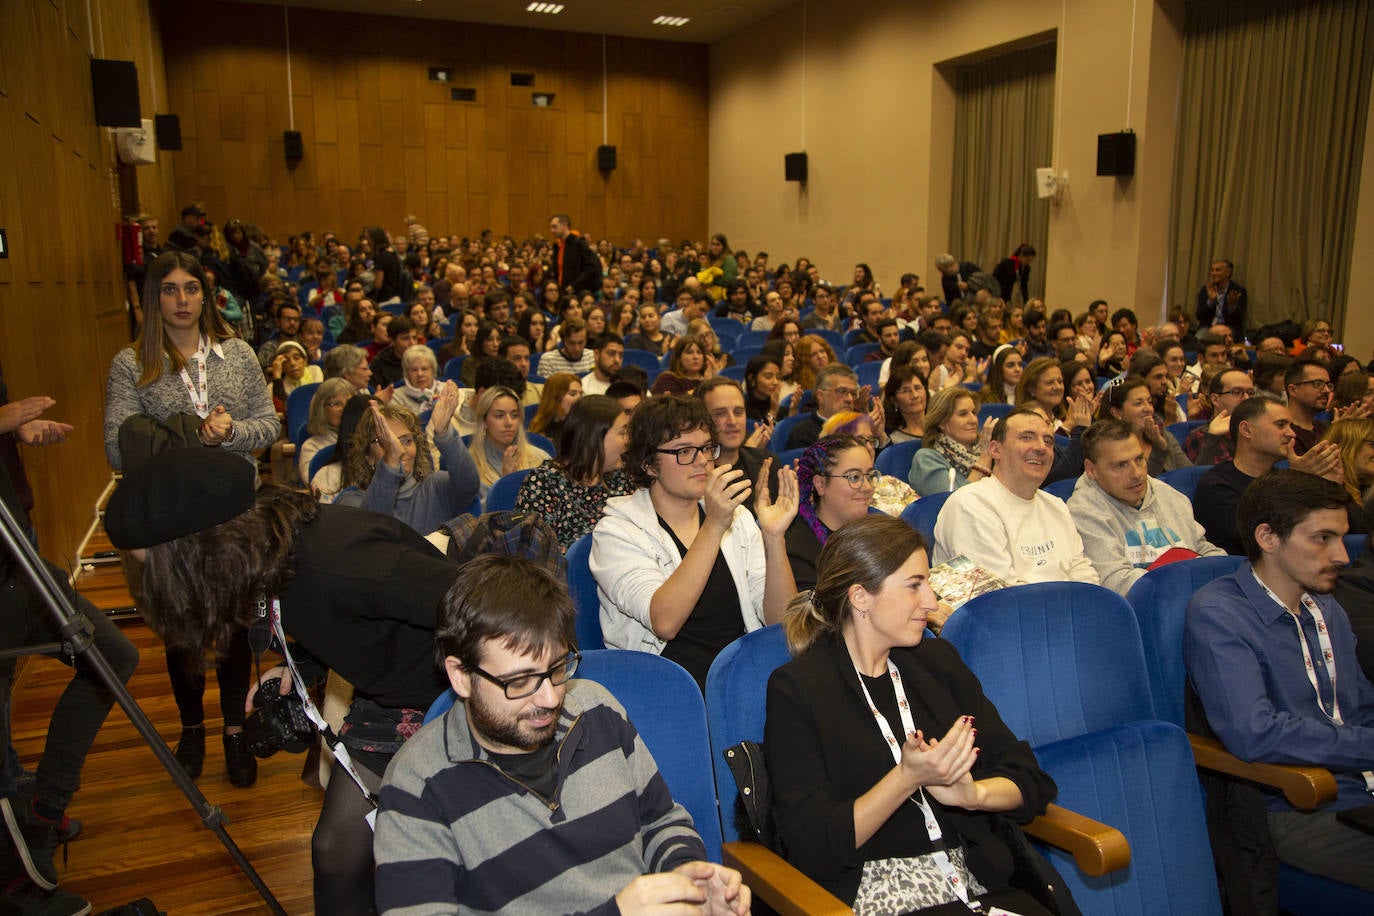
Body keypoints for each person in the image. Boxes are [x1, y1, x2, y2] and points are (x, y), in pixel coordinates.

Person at [104, 448, 463, 914]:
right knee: (335, 852)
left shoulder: (343, 561)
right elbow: (339, 618)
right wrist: (299, 668)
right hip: (388, 693)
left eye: (157, 569)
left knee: (423, 856)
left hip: (449, 694)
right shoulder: (270, 557)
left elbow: (479, 603)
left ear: (203, 552)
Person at [373, 555, 751, 915]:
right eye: (520, 681)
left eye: (557, 669)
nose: (551, 698)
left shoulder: (596, 709)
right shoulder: (418, 784)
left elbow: (661, 821)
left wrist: (686, 878)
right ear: (461, 676)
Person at [767, 514, 1066, 914]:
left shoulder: (937, 663)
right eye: (914, 585)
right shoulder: (798, 689)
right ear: (860, 597)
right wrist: (906, 778)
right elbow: (814, 846)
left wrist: (973, 795)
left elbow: (1029, 779)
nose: (932, 601)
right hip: (877, 897)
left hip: (976, 885)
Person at [103, 251, 278, 790]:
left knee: (234, 630)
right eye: (169, 289)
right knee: (181, 636)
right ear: (153, 299)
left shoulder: (238, 353)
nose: (182, 300)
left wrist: (230, 435)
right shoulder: (131, 364)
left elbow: (269, 425)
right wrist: (190, 433)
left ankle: (233, 730)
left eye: (192, 289)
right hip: (170, 524)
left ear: (206, 296)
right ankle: (192, 729)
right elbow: (116, 446)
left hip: (232, 516)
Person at [1185, 469, 1374, 895]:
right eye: (1322, 538)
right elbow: (1255, 733)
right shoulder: (1220, 614)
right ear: (1268, 537)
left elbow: (1360, 706)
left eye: (1342, 538)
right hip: (1297, 806)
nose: (1342, 556)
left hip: (1360, 788)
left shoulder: (1325, 606)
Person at [0, 383, 138, 915]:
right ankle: (16, 880)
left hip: (16, 549)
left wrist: (14, 431)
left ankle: (41, 809)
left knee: (112, 656)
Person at [590, 395, 799, 688]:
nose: (702, 461)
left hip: (738, 676)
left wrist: (774, 538)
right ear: (648, 464)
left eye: (706, 448)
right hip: (666, 683)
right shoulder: (616, 532)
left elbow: (781, 620)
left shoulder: (736, 517)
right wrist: (713, 526)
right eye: (684, 451)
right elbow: (664, 622)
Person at [934, 409, 1100, 585]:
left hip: (1065, 602)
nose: (1041, 447)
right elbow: (1001, 592)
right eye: (1026, 438)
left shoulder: (1057, 506)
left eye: (1048, 441)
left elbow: (1084, 574)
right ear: (995, 450)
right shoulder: (970, 505)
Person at [1068, 419, 1226, 595]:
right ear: (1091, 470)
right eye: (1121, 465)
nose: (1136, 474)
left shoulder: (1168, 494)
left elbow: (1202, 549)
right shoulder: (1083, 511)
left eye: (1139, 459)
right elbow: (1117, 583)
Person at [1193, 397, 1343, 555]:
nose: (1291, 434)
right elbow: (1257, 537)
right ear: (1246, 430)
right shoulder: (1215, 484)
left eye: (1290, 426)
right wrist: (1299, 482)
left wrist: (1333, 488)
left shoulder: (1284, 479)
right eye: (1280, 425)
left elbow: (1337, 528)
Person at [335, 389, 480, 534]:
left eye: (406, 441)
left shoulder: (434, 487)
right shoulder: (351, 501)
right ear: (368, 456)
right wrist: (391, 461)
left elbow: (469, 485)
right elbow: (375, 528)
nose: (400, 449)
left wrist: (444, 434)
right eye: (386, 442)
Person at [513, 395, 634, 551]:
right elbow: (532, 553)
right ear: (594, 437)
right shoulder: (545, 482)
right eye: (622, 433)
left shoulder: (622, 478)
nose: (628, 441)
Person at [786, 436, 881, 590]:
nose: (868, 487)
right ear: (820, 484)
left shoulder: (878, 531)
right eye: (854, 477)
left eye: (870, 476)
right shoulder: (797, 549)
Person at [698, 377, 781, 518]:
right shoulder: (696, 475)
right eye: (720, 413)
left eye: (738, 412)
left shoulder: (767, 463)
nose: (732, 421)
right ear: (703, 419)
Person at [468, 385, 553, 500]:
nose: (509, 422)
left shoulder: (540, 458)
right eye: (499, 416)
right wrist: (506, 482)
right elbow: (480, 510)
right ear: (484, 421)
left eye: (514, 415)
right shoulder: (470, 467)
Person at [1099, 375, 1191, 476]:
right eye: (1138, 403)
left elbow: (1191, 475)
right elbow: (1139, 481)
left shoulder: (1163, 436)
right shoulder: (1109, 447)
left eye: (1149, 402)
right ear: (1117, 412)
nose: (1148, 409)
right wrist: (1159, 449)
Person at [908, 387, 993, 496]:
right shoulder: (926, 459)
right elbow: (954, 503)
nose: (973, 420)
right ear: (942, 422)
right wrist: (984, 459)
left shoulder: (984, 450)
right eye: (963, 414)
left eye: (974, 413)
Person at [1183, 368, 1255, 465]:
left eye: (1250, 393)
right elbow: (1224, 471)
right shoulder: (1202, 437)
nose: (1246, 398)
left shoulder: (1257, 431)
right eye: (1237, 392)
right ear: (1215, 399)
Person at [785, 364, 860, 450]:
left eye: (853, 393)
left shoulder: (860, 428)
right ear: (821, 396)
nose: (850, 399)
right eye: (842, 391)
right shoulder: (803, 433)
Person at [297, 377, 353, 484]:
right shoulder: (311, 446)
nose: (345, 408)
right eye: (336, 403)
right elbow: (312, 482)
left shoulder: (364, 439)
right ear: (321, 408)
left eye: (350, 402)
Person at [1285, 357, 1333, 456]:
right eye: (1318, 384)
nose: (1327, 390)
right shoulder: (1284, 431)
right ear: (1293, 390)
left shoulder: (1323, 428)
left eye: (1328, 385)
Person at [549, 213, 602, 294]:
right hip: (562, 291)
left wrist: (575, 285)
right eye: (551, 227)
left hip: (576, 291)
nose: (552, 230)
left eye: (554, 227)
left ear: (564, 225)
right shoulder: (558, 246)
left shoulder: (578, 244)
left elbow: (591, 267)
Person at [1195, 258, 1247, 339]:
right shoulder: (1206, 289)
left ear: (1228, 273)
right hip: (1208, 327)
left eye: (1217, 270)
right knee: (1198, 339)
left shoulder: (1238, 291)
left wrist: (1232, 307)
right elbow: (1199, 316)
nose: (1214, 273)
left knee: (1223, 338)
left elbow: (1239, 319)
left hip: (1229, 327)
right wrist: (1211, 301)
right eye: (1212, 270)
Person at [389, 345, 443, 416]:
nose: (420, 374)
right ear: (407, 373)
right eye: (414, 370)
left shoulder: (447, 390)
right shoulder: (396, 397)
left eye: (424, 369)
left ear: (433, 370)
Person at [884, 363, 928, 443]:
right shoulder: (894, 441)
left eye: (917, 388)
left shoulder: (942, 427)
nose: (915, 395)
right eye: (905, 391)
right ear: (894, 400)